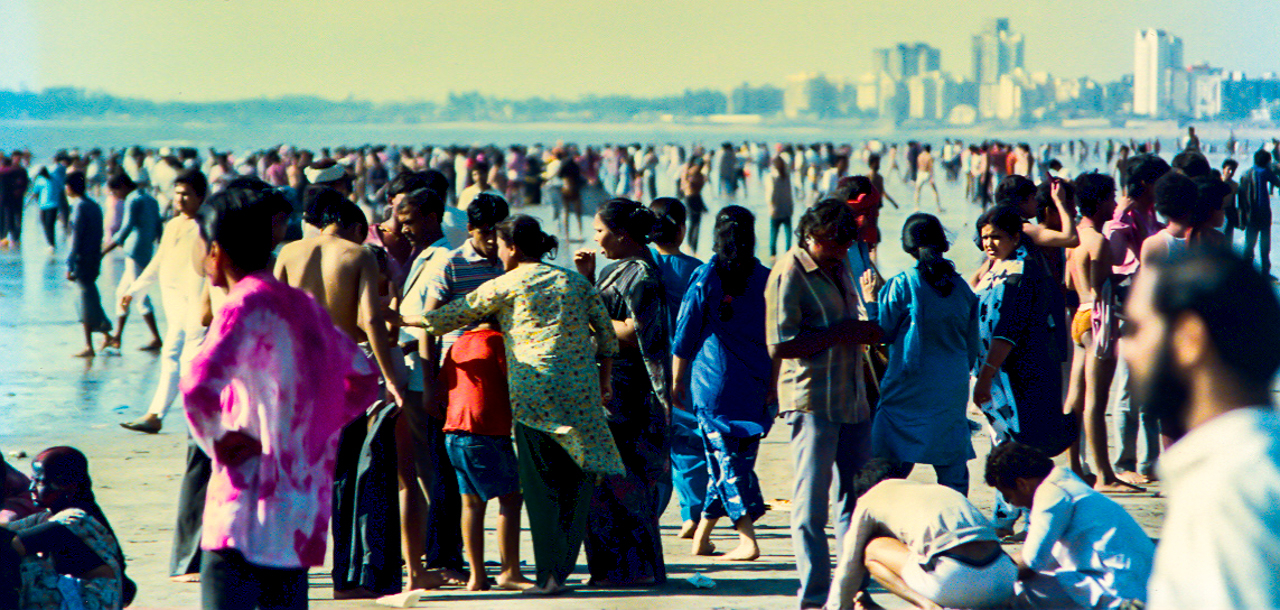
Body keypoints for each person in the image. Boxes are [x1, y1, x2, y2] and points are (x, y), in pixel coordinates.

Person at [182, 186, 379, 610]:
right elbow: (364, 379)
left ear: (216, 251)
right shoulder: (301, 305)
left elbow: (198, 384)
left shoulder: (242, 303)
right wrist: (308, 433)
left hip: (242, 504)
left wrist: (218, 439)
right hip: (297, 511)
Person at [416, 214, 625, 596]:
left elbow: (451, 316)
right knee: (577, 483)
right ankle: (560, 570)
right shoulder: (574, 281)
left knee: (541, 487)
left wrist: (403, 319)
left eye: (500, 246)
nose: (497, 253)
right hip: (580, 396)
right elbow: (607, 336)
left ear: (512, 248)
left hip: (534, 400)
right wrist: (605, 381)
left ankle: (547, 577)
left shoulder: (505, 285)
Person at [1120, 247, 1280, 609]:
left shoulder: (1230, 487)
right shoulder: (1256, 458)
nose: (1125, 349)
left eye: (1135, 329)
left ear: (1190, 338)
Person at [273, 188, 407, 598]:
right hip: (342, 374)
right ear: (351, 225)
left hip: (297, 376)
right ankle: (346, 579)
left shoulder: (288, 252)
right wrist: (392, 380)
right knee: (348, 476)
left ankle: (287, 576)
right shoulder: (359, 254)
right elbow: (369, 319)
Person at [767, 199, 883, 609]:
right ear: (811, 236)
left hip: (853, 397)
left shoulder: (842, 265)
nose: (837, 252)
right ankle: (814, 595)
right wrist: (843, 332)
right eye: (831, 245)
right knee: (810, 506)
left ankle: (852, 588)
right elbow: (782, 343)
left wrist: (865, 331)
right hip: (812, 398)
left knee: (856, 501)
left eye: (843, 245)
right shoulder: (790, 271)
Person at [573, 198, 671, 587]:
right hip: (613, 386)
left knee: (623, 481)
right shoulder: (621, 270)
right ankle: (617, 569)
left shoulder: (642, 275)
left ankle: (634, 570)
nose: (596, 240)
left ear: (622, 234)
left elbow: (633, 333)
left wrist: (593, 320)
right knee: (610, 481)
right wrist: (588, 278)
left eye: (600, 231)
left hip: (631, 391)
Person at [418, 192, 512, 585]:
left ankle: (498, 563)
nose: (493, 239)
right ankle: (452, 559)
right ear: (471, 229)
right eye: (487, 231)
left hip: (508, 374)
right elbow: (429, 326)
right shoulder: (451, 265)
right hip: (463, 377)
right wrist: (429, 386)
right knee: (457, 476)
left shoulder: (511, 261)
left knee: (501, 468)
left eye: (499, 230)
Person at [674, 206, 772, 562]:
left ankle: (747, 538)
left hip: (713, 385)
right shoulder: (766, 278)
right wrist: (776, 383)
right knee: (733, 459)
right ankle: (703, 534)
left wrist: (676, 381)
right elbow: (778, 336)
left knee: (726, 460)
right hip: (757, 383)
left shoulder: (705, 277)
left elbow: (684, 335)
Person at [971, 205, 1078, 533]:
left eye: (997, 237)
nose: (989, 243)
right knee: (1003, 443)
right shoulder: (998, 267)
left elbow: (1008, 331)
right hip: (999, 373)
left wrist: (985, 376)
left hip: (1019, 374)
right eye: (985, 237)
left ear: (1016, 236)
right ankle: (1007, 514)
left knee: (1022, 446)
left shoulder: (1022, 271)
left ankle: (1034, 516)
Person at [862, 213, 978, 495]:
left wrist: (870, 300)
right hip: (951, 384)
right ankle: (957, 516)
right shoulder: (962, 289)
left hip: (907, 385)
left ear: (908, 247)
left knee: (885, 460)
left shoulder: (902, 285)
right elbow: (973, 347)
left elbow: (882, 333)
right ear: (943, 244)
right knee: (951, 460)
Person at [985, 442, 1153, 610]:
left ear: (1022, 484)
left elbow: (1031, 563)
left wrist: (982, 576)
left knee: (1020, 586)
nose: (1013, 504)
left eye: (1009, 497)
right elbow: (1041, 555)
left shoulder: (1051, 492)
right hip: (1137, 581)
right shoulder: (1063, 480)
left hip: (1122, 588)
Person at [827, 462, 1016, 610]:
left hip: (953, 579)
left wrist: (837, 606)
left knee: (872, 549)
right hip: (1004, 579)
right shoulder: (940, 490)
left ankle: (926, 605)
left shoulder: (869, 498)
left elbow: (849, 562)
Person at [440, 317, 534, 591]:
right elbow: (516, 384)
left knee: (471, 505)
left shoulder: (458, 343)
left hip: (455, 433)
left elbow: (444, 385)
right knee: (511, 499)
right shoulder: (497, 341)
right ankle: (510, 572)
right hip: (487, 433)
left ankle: (476, 576)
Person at [119, 169, 209, 434]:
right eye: (177, 193)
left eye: (186, 194)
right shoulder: (172, 224)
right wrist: (135, 290)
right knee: (171, 356)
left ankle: (196, 417)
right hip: (175, 306)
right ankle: (157, 415)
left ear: (201, 197)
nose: (180, 199)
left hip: (198, 307)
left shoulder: (206, 227)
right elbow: (157, 263)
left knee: (192, 362)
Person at [0, 447, 134, 610]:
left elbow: (11, 544)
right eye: (32, 480)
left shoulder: (74, 519)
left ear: (68, 486)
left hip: (91, 603)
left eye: (40, 482)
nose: (31, 488)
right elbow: (8, 530)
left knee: (13, 560)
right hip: (79, 598)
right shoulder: (48, 516)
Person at [646, 197, 707, 539]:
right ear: (682, 230)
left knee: (653, 444)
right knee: (687, 442)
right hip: (689, 366)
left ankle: (651, 510)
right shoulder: (697, 269)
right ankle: (691, 512)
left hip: (646, 364)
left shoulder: (642, 264)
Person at [101, 172, 163, 352]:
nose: (115, 197)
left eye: (114, 192)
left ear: (122, 186)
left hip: (134, 251)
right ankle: (117, 337)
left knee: (139, 294)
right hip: (146, 249)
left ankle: (156, 338)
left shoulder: (132, 200)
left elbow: (125, 229)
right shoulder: (150, 199)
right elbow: (158, 226)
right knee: (122, 292)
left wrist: (104, 250)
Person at [65, 173, 113, 357]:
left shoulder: (79, 206)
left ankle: (89, 345)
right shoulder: (94, 205)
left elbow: (76, 238)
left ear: (70, 187)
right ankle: (105, 334)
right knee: (90, 298)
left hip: (82, 260)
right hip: (93, 258)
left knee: (83, 301)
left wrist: (69, 263)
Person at [1236, 148, 1280, 276]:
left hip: (1250, 213)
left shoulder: (1247, 172)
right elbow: (1277, 182)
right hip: (1264, 213)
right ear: (1266, 161)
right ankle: (1265, 271)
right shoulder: (1265, 172)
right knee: (1265, 245)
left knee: (1249, 244)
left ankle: (1245, 270)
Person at [766, 155, 795, 258]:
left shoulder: (772, 176)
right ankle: (788, 252)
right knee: (788, 233)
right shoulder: (786, 176)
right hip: (786, 208)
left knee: (774, 232)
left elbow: (771, 193)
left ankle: (772, 254)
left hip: (776, 208)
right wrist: (791, 206)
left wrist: (771, 206)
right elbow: (789, 193)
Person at [682, 157, 708, 252]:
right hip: (691, 198)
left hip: (695, 197)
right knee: (694, 223)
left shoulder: (697, 173)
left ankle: (692, 246)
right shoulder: (693, 172)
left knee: (695, 223)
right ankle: (691, 246)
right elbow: (687, 183)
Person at [913, 145, 942, 212]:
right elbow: (931, 168)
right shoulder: (929, 156)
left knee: (917, 191)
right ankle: (938, 207)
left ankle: (916, 207)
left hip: (920, 173)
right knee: (934, 191)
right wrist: (932, 177)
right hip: (927, 174)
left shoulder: (920, 156)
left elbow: (918, 165)